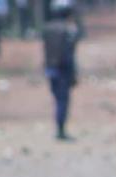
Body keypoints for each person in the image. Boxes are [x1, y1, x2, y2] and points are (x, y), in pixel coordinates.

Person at [43, 0, 82, 141]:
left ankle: (59, 128)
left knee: (57, 98)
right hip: (63, 70)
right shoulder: (68, 30)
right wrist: (73, 73)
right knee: (63, 100)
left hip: (50, 69)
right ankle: (60, 130)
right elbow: (69, 54)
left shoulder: (47, 28)